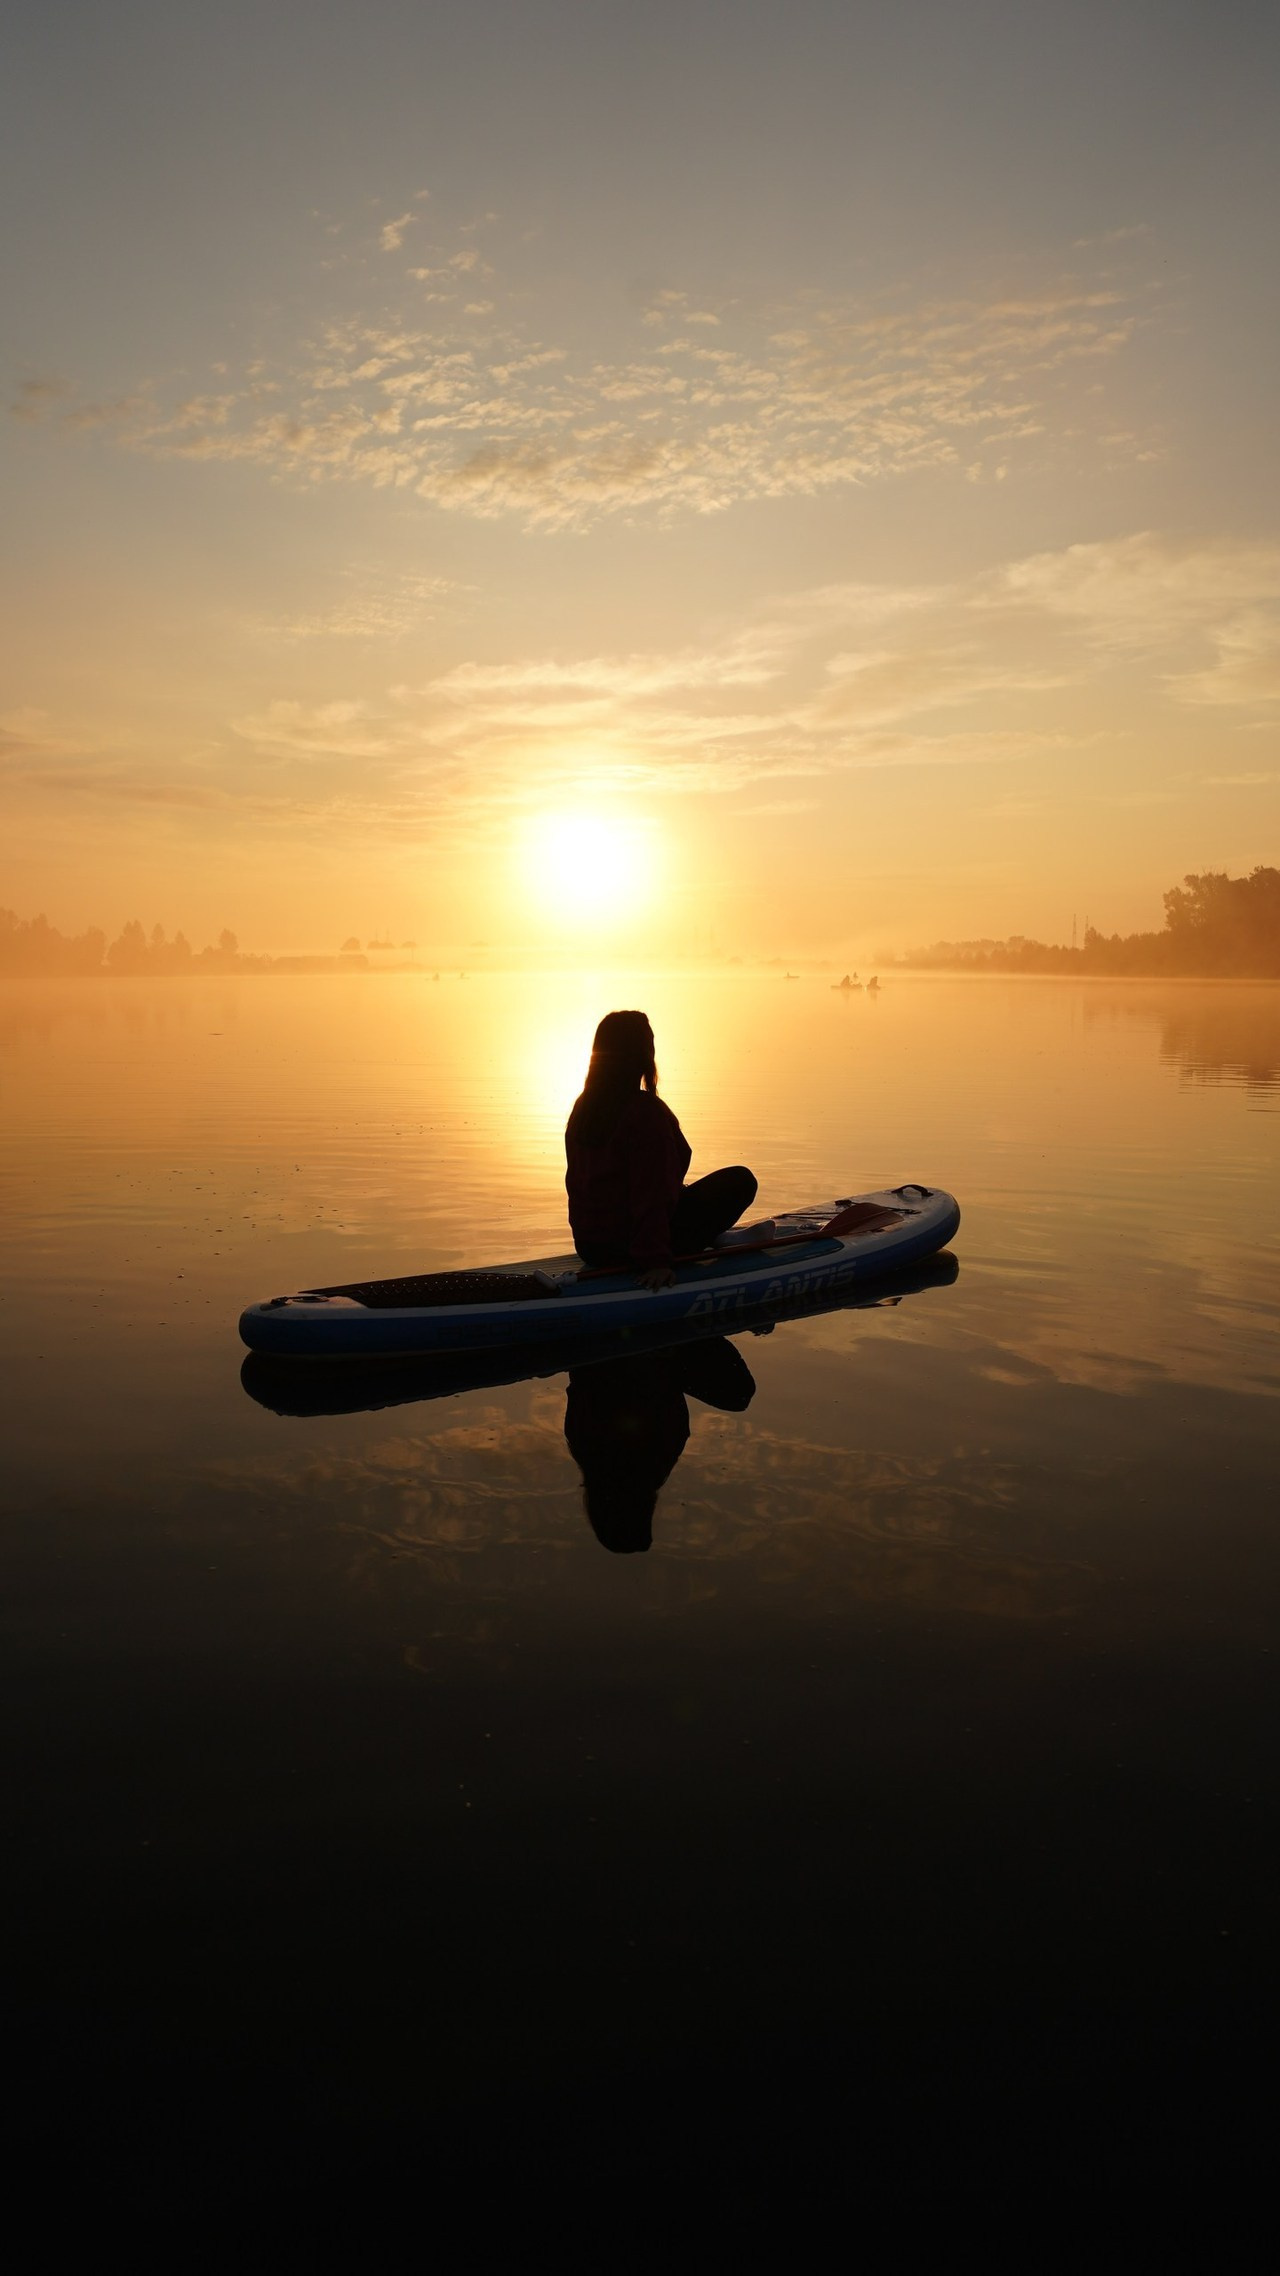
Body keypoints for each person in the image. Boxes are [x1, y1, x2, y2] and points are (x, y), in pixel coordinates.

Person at [565, 1009, 757, 1289]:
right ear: (643, 1054)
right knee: (740, 1180)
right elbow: (652, 1193)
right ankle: (710, 1238)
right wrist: (655, 1261)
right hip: (631, 1249)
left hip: (591, 1246)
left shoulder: (583, 1107)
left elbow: (582, 1184)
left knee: (674, 1189)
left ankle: (714, 1237)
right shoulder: (644, 1113)